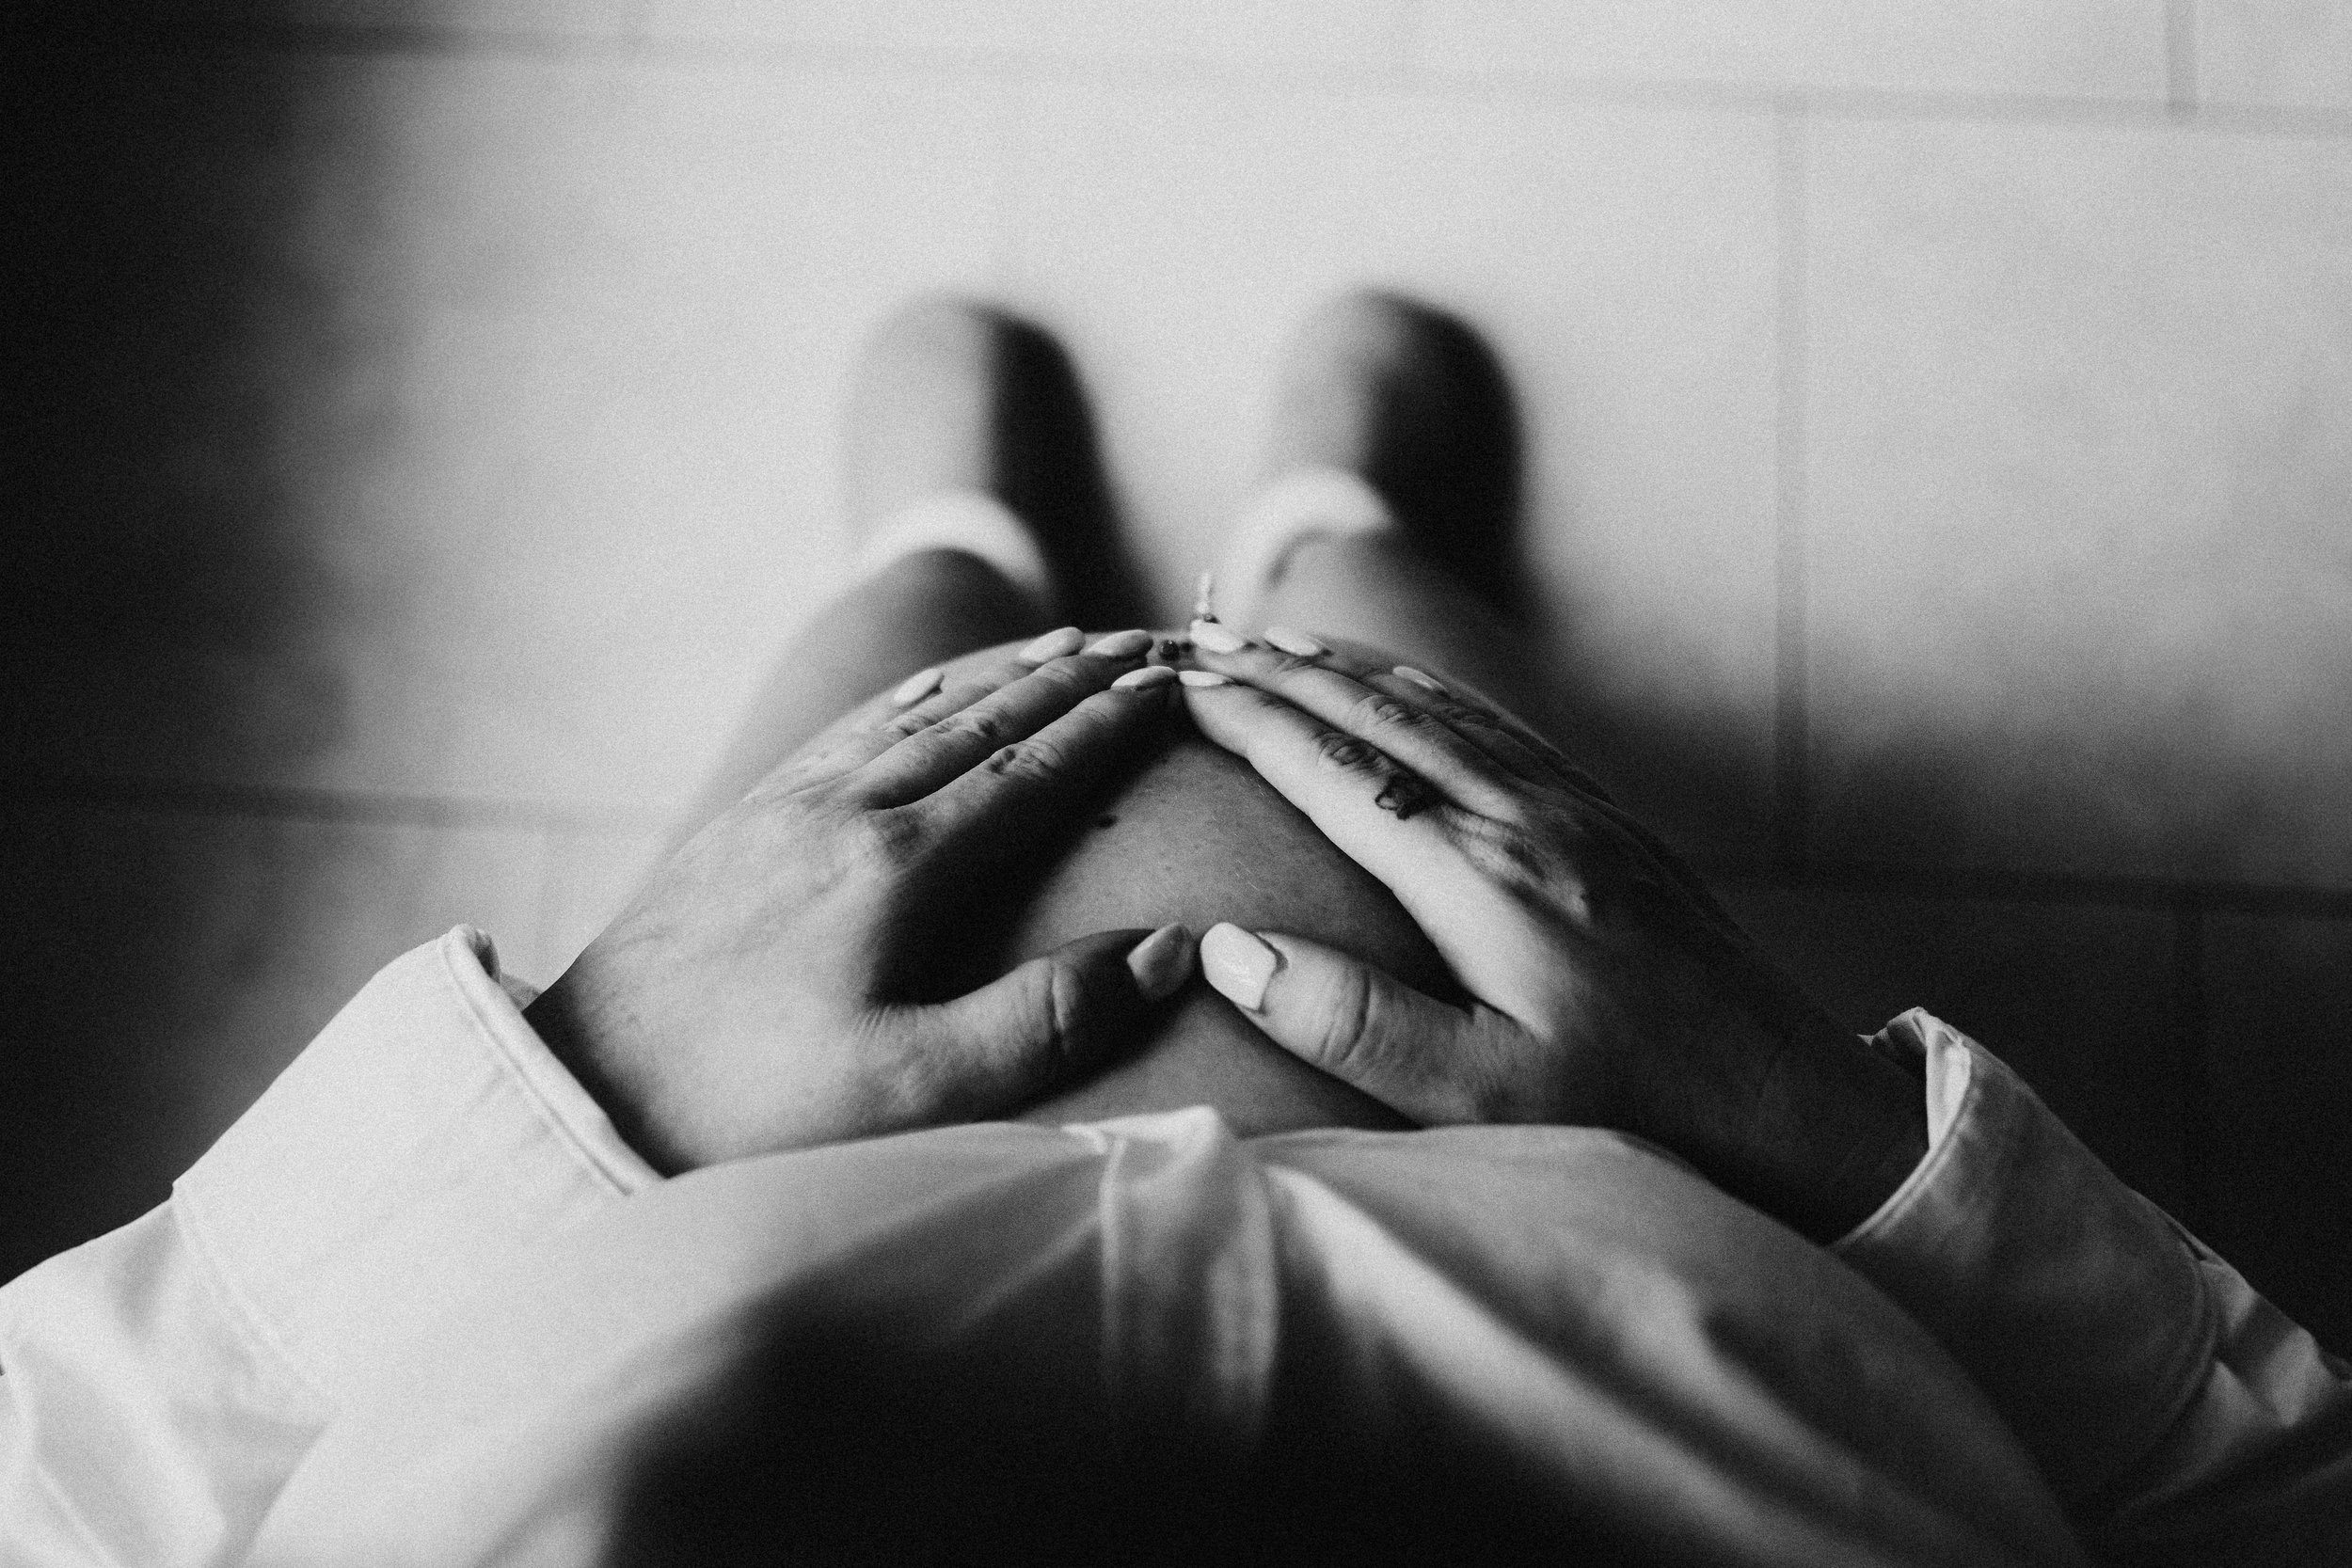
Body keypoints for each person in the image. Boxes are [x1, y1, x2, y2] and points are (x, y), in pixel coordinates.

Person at [1, 294, 2345, 1566]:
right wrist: (1834, 1140)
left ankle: (957, 543)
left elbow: (60, 1489)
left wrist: (586, 1085)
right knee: (1396, 669)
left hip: (701, 1168)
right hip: (1659, 1192)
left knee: (902, 686)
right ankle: (1333, 537)